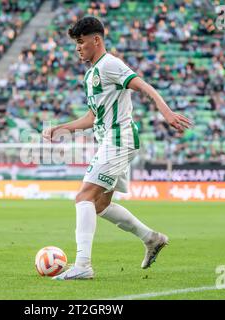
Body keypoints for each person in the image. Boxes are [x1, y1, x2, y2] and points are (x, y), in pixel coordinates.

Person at [43, 17, 192, 280]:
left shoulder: (110, 64)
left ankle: (83, 266)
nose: (77, 48)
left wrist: (166, 112)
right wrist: (61, 128)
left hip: (118, 139)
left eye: (81, 42)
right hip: (110, 140)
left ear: (96, 40)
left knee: (83, 197)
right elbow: (91, 117)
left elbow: (143, 86)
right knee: (99, 205)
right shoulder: (91, 75)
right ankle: (152, 238)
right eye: (75, 44)